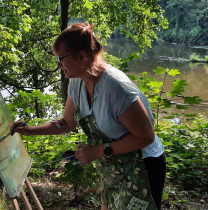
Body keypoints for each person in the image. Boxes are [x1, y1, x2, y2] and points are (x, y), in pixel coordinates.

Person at [11, 22, 166, 210]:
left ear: (82, 56)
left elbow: (146, 137)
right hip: (115, 168)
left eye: (61, 59)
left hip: (143, 167)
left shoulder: (116, 89)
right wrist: (29, 131)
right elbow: (67, 123)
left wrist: (97, 151)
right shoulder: (76, 83)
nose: (58, 65)